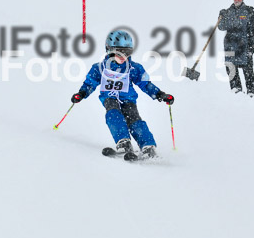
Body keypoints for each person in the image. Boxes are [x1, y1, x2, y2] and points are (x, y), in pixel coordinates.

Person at [70, 30, 175, 158]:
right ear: (109, 50)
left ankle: (147, 146)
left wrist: (160, 94)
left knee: (134, 119)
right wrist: (81, 93)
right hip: (109, 97)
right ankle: (123, 142)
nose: (123, 56)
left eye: (127, 52)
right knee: (113, 114)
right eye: (119, 52)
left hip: (128, 99)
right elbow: (90, 83)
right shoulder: (99, 68)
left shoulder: (134, 68)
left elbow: (145, 84)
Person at [218, 0, 254, 97]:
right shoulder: (228, 12)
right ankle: (236, 91)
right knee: (231, 70)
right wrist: (220, 17)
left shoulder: (249, 12)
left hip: (244, 46)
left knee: (248, 71)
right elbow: (221, 27)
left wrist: (252, 45)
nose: (237, 0)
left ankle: (251, 93)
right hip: (230, 46)